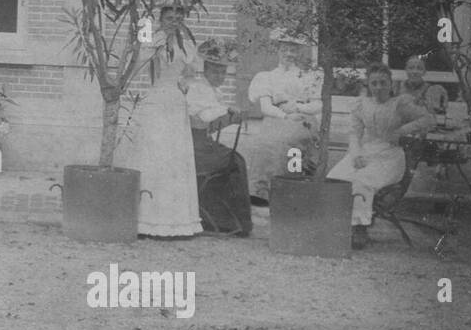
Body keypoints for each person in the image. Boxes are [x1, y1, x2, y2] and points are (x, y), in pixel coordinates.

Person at [115, 3, 202, 237]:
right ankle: (147, 221)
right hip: (155, 100)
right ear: (161, 20)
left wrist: (185, 86)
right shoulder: (152, 41)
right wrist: (153, 43)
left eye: (178, 19)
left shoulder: (187, 45)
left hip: (176, 103)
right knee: (154, 155)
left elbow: (190, 75)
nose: (173, 22)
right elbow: (137, 64)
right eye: (169, 18)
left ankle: (177, 222)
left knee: (175, 158)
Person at [327, 62, 436, 250]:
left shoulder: (399, 103)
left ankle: (360, 227)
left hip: (390, 157)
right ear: (368, 84)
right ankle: (336, 225)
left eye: (383, 83)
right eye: (374, 83)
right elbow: (354, 134)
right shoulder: (362, 104)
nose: (378, 87)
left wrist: (402, 130)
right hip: (365, 152)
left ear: (390, 83)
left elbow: (428, 120)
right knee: (334, 178)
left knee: (362, 181)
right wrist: (356, 154)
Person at [238, 31, 321, 203]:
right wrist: (285, 116)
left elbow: (317, 105)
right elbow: (266, 107)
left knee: (290, 142)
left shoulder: (308, 76)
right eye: (284, 50)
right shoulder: (267, 77)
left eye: (293, 50)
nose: (289, 54)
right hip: (277, 118)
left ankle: (291, 189)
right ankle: (261, 192)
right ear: (278, 50)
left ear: (299, 52)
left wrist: (297, 107)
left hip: (302, 118)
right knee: (264, 143)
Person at [184, 40, 252, 237]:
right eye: (215, 72)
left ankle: (232, 220)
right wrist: (227, 110)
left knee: (236, 160)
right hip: (195, 146)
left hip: (204, 142)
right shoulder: (198, 88)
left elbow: (212, 123)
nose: (219, 76)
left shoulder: (214, 91)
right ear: (205, 70)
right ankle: (230, 221)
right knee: (235, 161)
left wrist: (229, 116)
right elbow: (204, 117)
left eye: (223, 72)